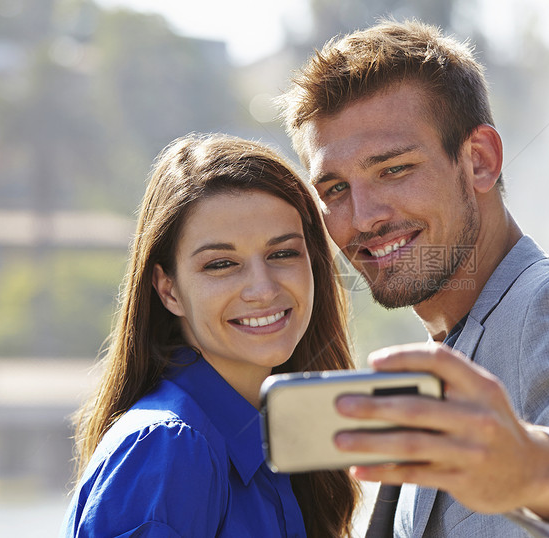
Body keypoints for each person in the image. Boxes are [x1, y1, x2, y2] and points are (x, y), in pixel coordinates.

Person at [278, 19, 549, 537]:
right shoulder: (441, 358)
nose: (364, 215)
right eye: (334, 190)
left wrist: (534, 472)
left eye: (394, 169)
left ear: (480, 162)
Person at [61, 133, 359, 537]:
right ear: (169, 290)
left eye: (283, 253)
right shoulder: (171, 448)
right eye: (221, 264)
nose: (263, 289)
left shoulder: (286, 436)